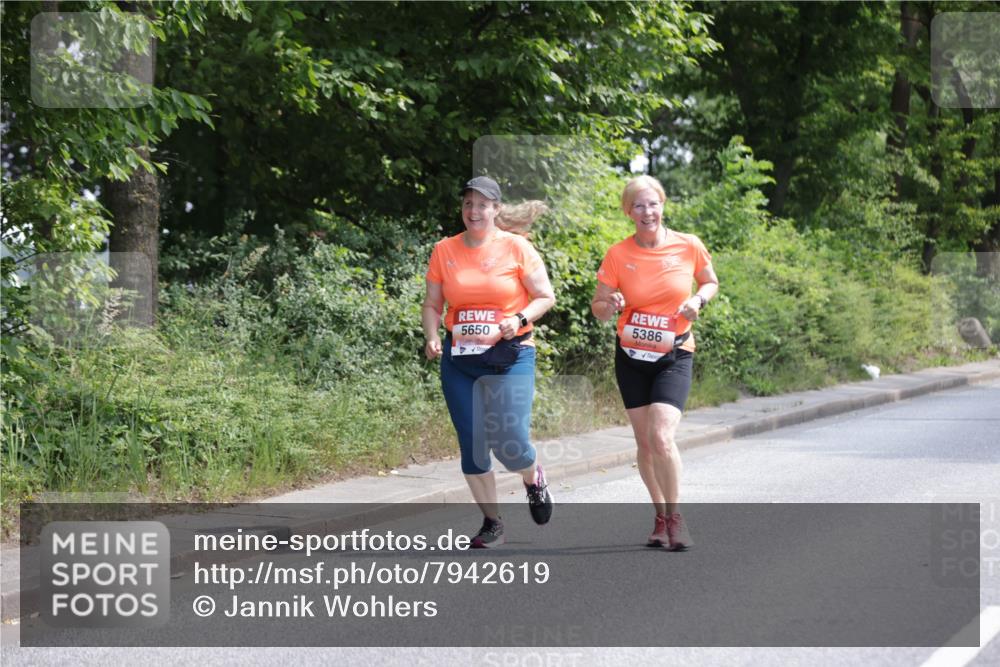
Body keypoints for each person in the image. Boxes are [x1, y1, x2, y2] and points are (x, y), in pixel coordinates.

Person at [423, 176, 556, 548]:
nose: (474, 211)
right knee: (473, 441)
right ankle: (492, 522)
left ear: (496, 209)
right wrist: (432, 336)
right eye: (468, 204)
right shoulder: (444, 250)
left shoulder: (517, 248)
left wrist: (518, 320)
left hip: (509, 356)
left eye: (482, 205)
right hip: (460, 361)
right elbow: (433, 304)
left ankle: (533, 478)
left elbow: (545, 296)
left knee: (509, 439)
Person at [591, 175, 719, 551]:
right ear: (628, 212)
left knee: (662, 436)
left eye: (653, 203)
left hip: (675, 353)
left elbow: (710, 281)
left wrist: (698, 301)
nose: (647, 211)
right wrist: (608, 305)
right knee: (645, 444)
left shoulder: (688, 245)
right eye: (638, 206)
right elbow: (598, 307)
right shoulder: (618, 254)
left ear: (663, 205)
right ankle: (659, 516)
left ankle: (676, 519)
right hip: (631, 356)